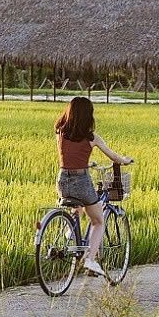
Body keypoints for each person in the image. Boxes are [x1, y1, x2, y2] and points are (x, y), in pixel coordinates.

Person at [54, 97, 132, 277]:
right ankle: (89, 259)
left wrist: (85, 163)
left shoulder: (60, 133)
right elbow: (114, 157)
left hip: (62, 180)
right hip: (81, 181)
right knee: (98, 221)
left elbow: (68, 156)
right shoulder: (92, 138)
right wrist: (125, 160)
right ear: (89, 116)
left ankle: (69, 232)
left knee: (77, 207)